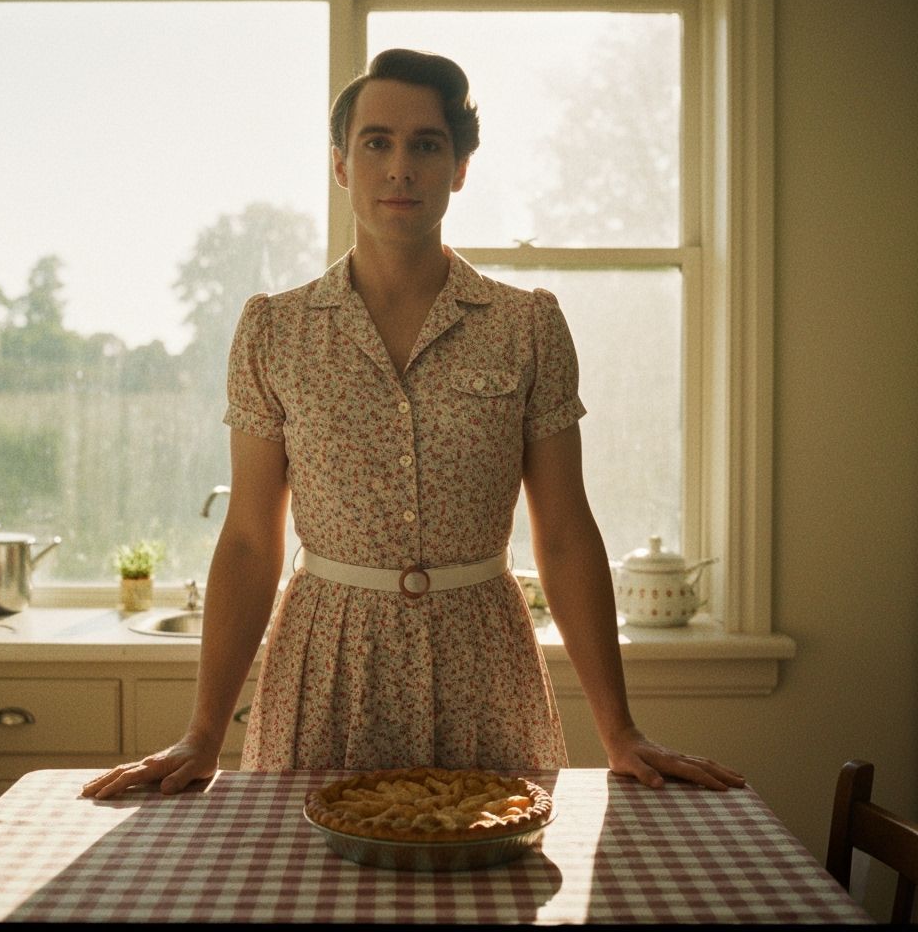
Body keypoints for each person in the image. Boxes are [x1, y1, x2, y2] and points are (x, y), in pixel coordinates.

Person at [82, 49, 744, 800]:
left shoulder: (528, 327)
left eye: (427, 144)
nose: (401, 167)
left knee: (496, 883)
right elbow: (247, 537)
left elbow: (564, 533)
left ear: (459, 167)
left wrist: (621, 731)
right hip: (323, 667)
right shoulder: (275, 330)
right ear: (340, 164)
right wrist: (202, 733)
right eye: (377, 143)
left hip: (485, 666)